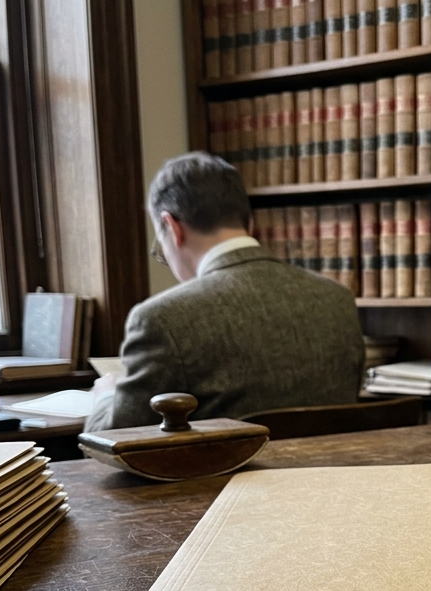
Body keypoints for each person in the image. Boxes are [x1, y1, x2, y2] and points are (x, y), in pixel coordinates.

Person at [85, 152, 364, 431]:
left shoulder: (161, 319)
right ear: (249, 223)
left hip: (229, 476)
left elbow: (112, 441)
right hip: (332, 473)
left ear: (173, 227)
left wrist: (106, 395)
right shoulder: (337, 299)